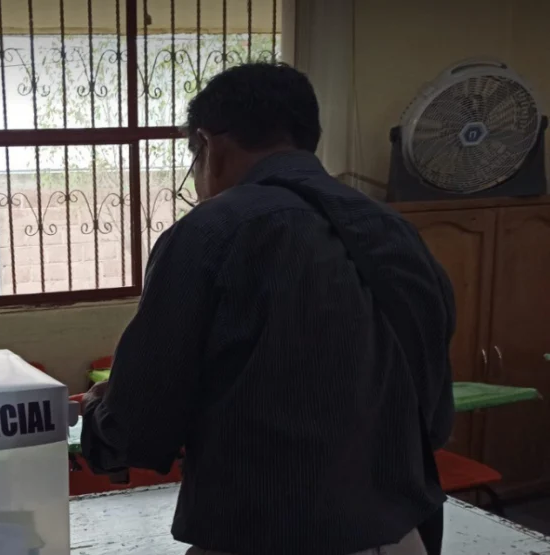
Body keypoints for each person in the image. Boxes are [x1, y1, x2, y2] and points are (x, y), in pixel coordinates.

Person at [79, 62, 455, 555]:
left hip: (266, 535)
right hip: (401, 535)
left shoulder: (212, 231)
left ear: (209, 145)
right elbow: (433, 415)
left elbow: (140, 427)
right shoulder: (398, 232)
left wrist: (99, 412)